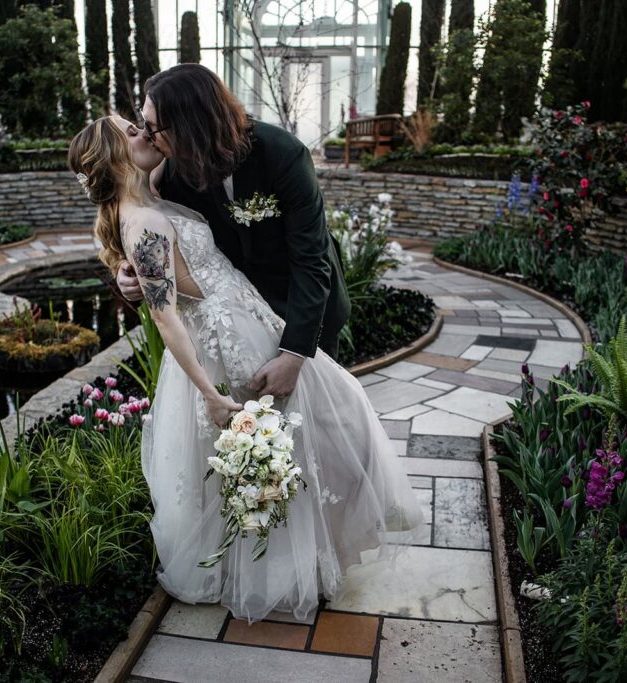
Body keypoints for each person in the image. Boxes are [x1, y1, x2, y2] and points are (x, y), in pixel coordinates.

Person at [68, 116, 426, 623]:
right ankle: (281, 569)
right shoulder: (142, 221)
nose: (146, 132)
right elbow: (166, 319)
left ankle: (317, 552)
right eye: (132, 131)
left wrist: (130, 271)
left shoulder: (152, 187)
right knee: (276, 445)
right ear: (114, 156)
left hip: (253, 319)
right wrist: (209, 394)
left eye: (143, 122)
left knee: (319, 424)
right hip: (226, 343)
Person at [115, 64, 351, 400]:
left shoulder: (283, 155)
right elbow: (152, 236)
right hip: (243, 323)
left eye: (154, 129)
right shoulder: (173, 171)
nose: (149, 137)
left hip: (303, 309)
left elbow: (311, 261)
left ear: (190, 124)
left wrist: (294, 356)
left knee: (321, 417)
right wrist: (128, 273)